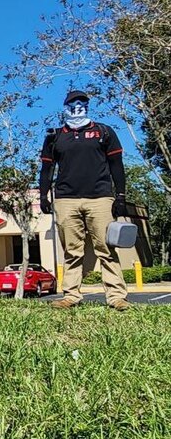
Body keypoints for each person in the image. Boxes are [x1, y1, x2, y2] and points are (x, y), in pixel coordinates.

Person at [40, 90, 130, 311]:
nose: (77, 107)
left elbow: (117, 165)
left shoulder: (103, 131)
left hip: (100, 198)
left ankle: (116, 296)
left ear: (88, 106)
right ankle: (71, 296)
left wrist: (120, 196)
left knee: (106, 249)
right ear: (65, 106)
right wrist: (43, 194)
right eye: (72, 103)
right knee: (72, 250)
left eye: (82, 103)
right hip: (66, 199)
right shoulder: (55, 136)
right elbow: (47, 168)